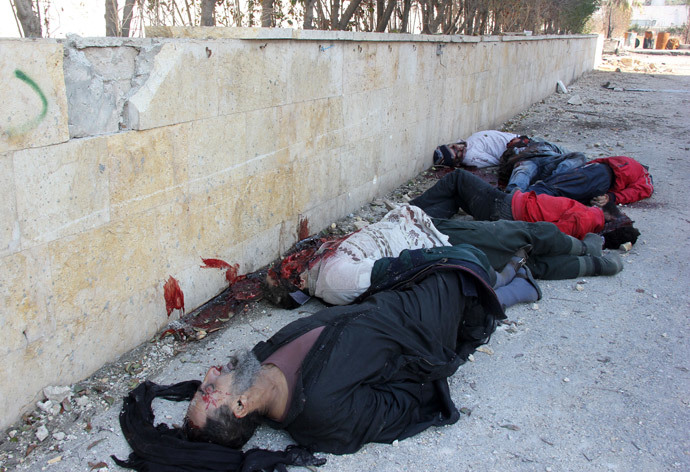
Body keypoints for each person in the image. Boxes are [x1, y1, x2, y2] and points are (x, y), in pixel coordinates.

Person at [185, 263, 506, 454]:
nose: (210, 372)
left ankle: (505, 281)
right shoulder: (320, 414)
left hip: (398, 284)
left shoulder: (261, 358)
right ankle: (510, 285)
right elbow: (407, 404)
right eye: (209, 390)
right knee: (476, 249)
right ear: (241, 406)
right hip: (435, 304)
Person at [264, 204, 540, 309]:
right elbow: (400, 270)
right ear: (297, 283)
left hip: (419, 226)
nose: (289, 258)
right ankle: (523, 273)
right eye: (284, 268)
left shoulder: (321, 262)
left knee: (511, 241)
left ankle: (519, 271)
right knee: (515, 236)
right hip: (433, 242)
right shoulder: (333, 278)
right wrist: (455, 256)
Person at [410, 168, 640, 243]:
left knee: (458, 177)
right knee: (459, 195)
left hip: (506, 209)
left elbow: (550, 233)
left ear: (610, 219)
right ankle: (421, 219)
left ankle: (408, 213)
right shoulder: (590, 218)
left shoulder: (589, 219)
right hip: (509, 207)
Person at [526, 156, 654, 206]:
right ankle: (521, 199)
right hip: (601, 178)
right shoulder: (642, 173)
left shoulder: (628, 162)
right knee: (559, 190)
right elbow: (642, 190)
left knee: (558, 186)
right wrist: (612, 197)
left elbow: (600, 160)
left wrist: (611, 197)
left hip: (595, 171)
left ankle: (521, 198)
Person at [498, 139, 585, 193]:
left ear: (525, 140)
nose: (509, 142)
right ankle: (513, 195)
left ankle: (554, 180)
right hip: (527, 161)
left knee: (579, 156)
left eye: (513, 140)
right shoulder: (509, 152)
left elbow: (564, 152)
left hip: (550, 160)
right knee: (522, 171)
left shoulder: (542, 143)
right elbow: (504, 170)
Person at [433, 130, 519, 168]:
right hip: (517, 147)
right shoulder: (470, 154)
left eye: (454, 148)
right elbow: (496, 161)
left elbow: (496, 161)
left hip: (518, 146)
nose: (458, 148)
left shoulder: (470, 153)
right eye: (455, 151)